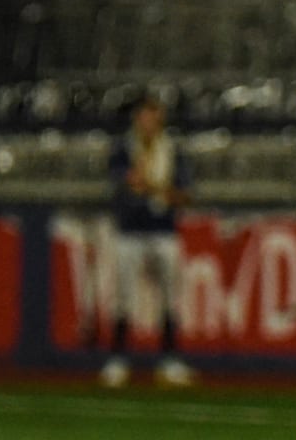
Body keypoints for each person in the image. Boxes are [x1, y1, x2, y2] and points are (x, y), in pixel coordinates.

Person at [99, 93, 195, 388]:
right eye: (144, 116)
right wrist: (157, 188)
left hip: (163, 228)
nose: (148, 122)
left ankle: (169, 359)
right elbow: (125, 183)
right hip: (130, 229)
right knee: (123, 297)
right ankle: (118, 358)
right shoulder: (125, 148)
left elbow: (183, 194)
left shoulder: (172, 150)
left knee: (169, 298)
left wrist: (154, 187)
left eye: (153, 116)